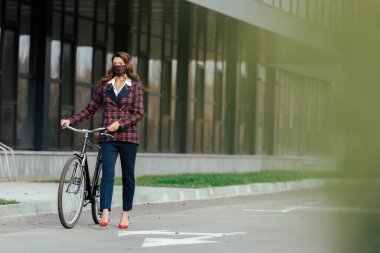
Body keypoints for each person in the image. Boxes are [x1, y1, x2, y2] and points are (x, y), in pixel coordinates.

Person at [60, 51, 144, 229]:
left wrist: (119, 124)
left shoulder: (135, 86)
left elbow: (138, 114)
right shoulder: (106, 87)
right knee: (108, 174)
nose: (117, 66)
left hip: (128, 138)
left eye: (120, 63)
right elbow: (89, 109)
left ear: (127, 65)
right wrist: (70, 120)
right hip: (108, 137)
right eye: (114, 63)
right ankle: (105, 211)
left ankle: (125, 214)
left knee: (128, 176)